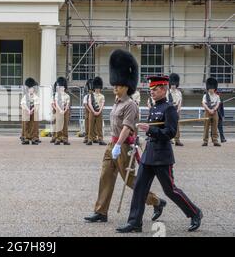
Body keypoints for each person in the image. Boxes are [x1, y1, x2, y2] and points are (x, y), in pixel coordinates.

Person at [84, 49, 165, 223]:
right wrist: (113, 145)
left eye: (118, 85)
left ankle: (156, 201)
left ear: (126, 86)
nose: (115, 87)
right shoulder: (117, 102)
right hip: (112, 144)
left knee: (130, 181)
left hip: (124, 146)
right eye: (115, 85)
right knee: (105, 176)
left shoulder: (131, 105)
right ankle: (101, 212)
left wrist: (119, 145)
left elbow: (127, 128)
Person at [117, 75, 202, 233]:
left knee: (170, 190)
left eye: (155, 89)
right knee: (139, 188)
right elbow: (151, 132)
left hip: (162, 156)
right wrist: (140, 138)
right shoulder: (154, 107)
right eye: (150, 90)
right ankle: (135, 222)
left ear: (164, 89)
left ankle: (195, 212)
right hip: (149, 155)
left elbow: (170, 132)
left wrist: (151, 130)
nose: (152, 92)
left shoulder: (169, 109)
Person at [21, 78, 40, 145]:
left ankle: (33, 138)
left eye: (32, 88)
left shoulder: (36, 97)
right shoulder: (25, 96)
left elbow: (36, 104)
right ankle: (26, 138)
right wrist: (28, 110)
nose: (31, 90)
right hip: (26, 111)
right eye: (30, 89)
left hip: (33, 111)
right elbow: (23, 104)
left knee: (33, 125)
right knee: (26, 125)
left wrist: (32, 110)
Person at [202, 78, 221, 147]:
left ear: (214, 89)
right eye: (210, 88)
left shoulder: (217, 96)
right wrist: (209, 110)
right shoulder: (205, 96)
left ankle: (215, 140)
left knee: (215, 127)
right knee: (206, 127)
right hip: (207, 112)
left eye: (212, 88)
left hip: (215, 112)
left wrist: (214, 109)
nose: (211, 90)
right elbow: (203, 103)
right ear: (208, 88)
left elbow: (218, 103)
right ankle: (205, 141)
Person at [87, 77, 106, 146]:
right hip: (92, 112)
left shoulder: (102, 96)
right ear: (94, 88)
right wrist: (93, 111)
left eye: (98, 88)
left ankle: (100, 139)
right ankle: (89, 139)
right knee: (91, 126)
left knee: (99, 127)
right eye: (96, 88)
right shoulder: (91, 95)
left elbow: (102, 104)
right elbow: (89, 103)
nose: (97, 89)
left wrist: (99, 111)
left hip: (99, 112)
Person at [53, 77, 71, 145]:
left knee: (65, 125)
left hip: (65, 111)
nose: (61, 88)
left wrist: (65, 110)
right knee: (58, 124)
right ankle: (58, 138)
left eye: (62, 87)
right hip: (59, 110)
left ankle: (65, 138)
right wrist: (60, 110)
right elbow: (56, 103)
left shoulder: (67, 96)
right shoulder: (57, 95)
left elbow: (67, 104)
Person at [168, 73, 184, 146]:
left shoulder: (179, 92)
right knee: (169, 125)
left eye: (174, 84)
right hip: (169, 109)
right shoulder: (167, 92)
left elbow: (180, 102)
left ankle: (177, 139)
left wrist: (178, 110)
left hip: (176, 109)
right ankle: (169, 139)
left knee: (177, 125)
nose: (173, 86)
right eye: (172, 84)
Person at [83, 79, 94, 144]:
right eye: (90, 90)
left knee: (94, 125)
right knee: (87, 124)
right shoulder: (86, 96)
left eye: (91, 90)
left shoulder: (94, 95)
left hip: (94, 111)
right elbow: (85, 104)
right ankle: (86, 137)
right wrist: (90, 110)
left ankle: (94, 137)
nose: (91, 91)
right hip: (88, 111)